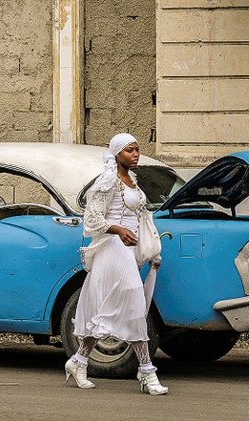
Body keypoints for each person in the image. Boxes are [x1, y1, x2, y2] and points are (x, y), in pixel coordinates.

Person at [65, 133, 168, 395]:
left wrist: (151, 246)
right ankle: (146, 372)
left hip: (128, 251)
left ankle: (78, 361)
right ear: (116, 154)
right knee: (134, 302)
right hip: (113, 248)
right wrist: (117, 229)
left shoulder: (132, 181)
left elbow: (142, 218)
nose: (135, 155)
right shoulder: (108, 181)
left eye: (137, 150)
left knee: (106, 307)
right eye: (129, 150)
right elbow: (91, 219)